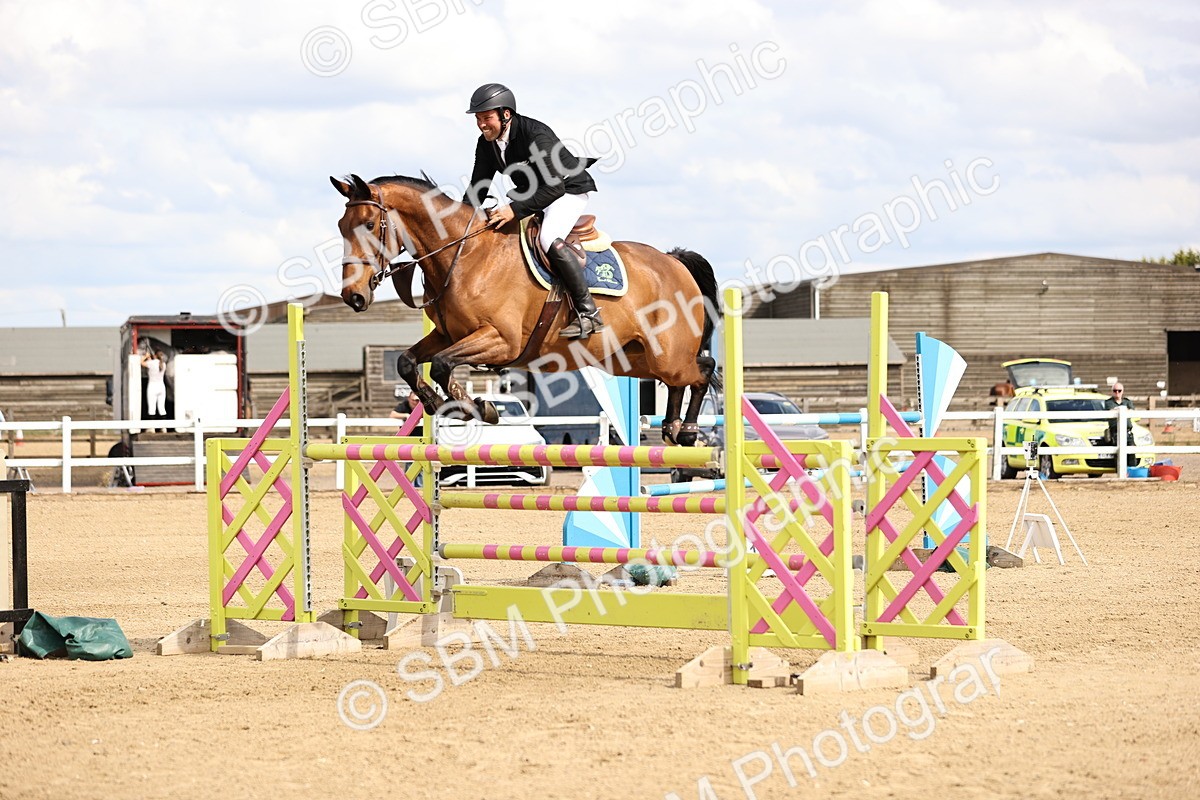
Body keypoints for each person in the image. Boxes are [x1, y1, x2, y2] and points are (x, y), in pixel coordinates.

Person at [463, 83, 604, 339]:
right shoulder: (486, 143)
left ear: (506, 115)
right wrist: (460, 220)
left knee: (547, 236)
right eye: (478, 119)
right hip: (533, 194)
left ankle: (589, 313)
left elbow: (554, 188)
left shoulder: (536, 136)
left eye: (486, 118)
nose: (481, 124)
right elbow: (478, 187)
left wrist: (514, 210)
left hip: (567, 190)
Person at [141, 349, 168, 431]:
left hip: (152, 386)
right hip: (161, 387)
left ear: (155, 355)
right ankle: (163, 427)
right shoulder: (163, 364)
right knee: (162, 407)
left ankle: (151, 428)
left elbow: (141, 362)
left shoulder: (152, 363)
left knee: (152, 407)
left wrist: (146, 356)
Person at [1103, 382, 1134, 449]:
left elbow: (1131, 411)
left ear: (1122, 391)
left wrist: (1117, 409)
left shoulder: (1127, 401)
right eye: (1115, 390)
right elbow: (1110, 411)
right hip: (1115, 433)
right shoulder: (1108, 402)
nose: (1117, 392)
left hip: (1127, 433)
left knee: (1131, 456)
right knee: (1117, 456)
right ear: (1112, 391)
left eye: (1119, 390)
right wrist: (1123, 409)